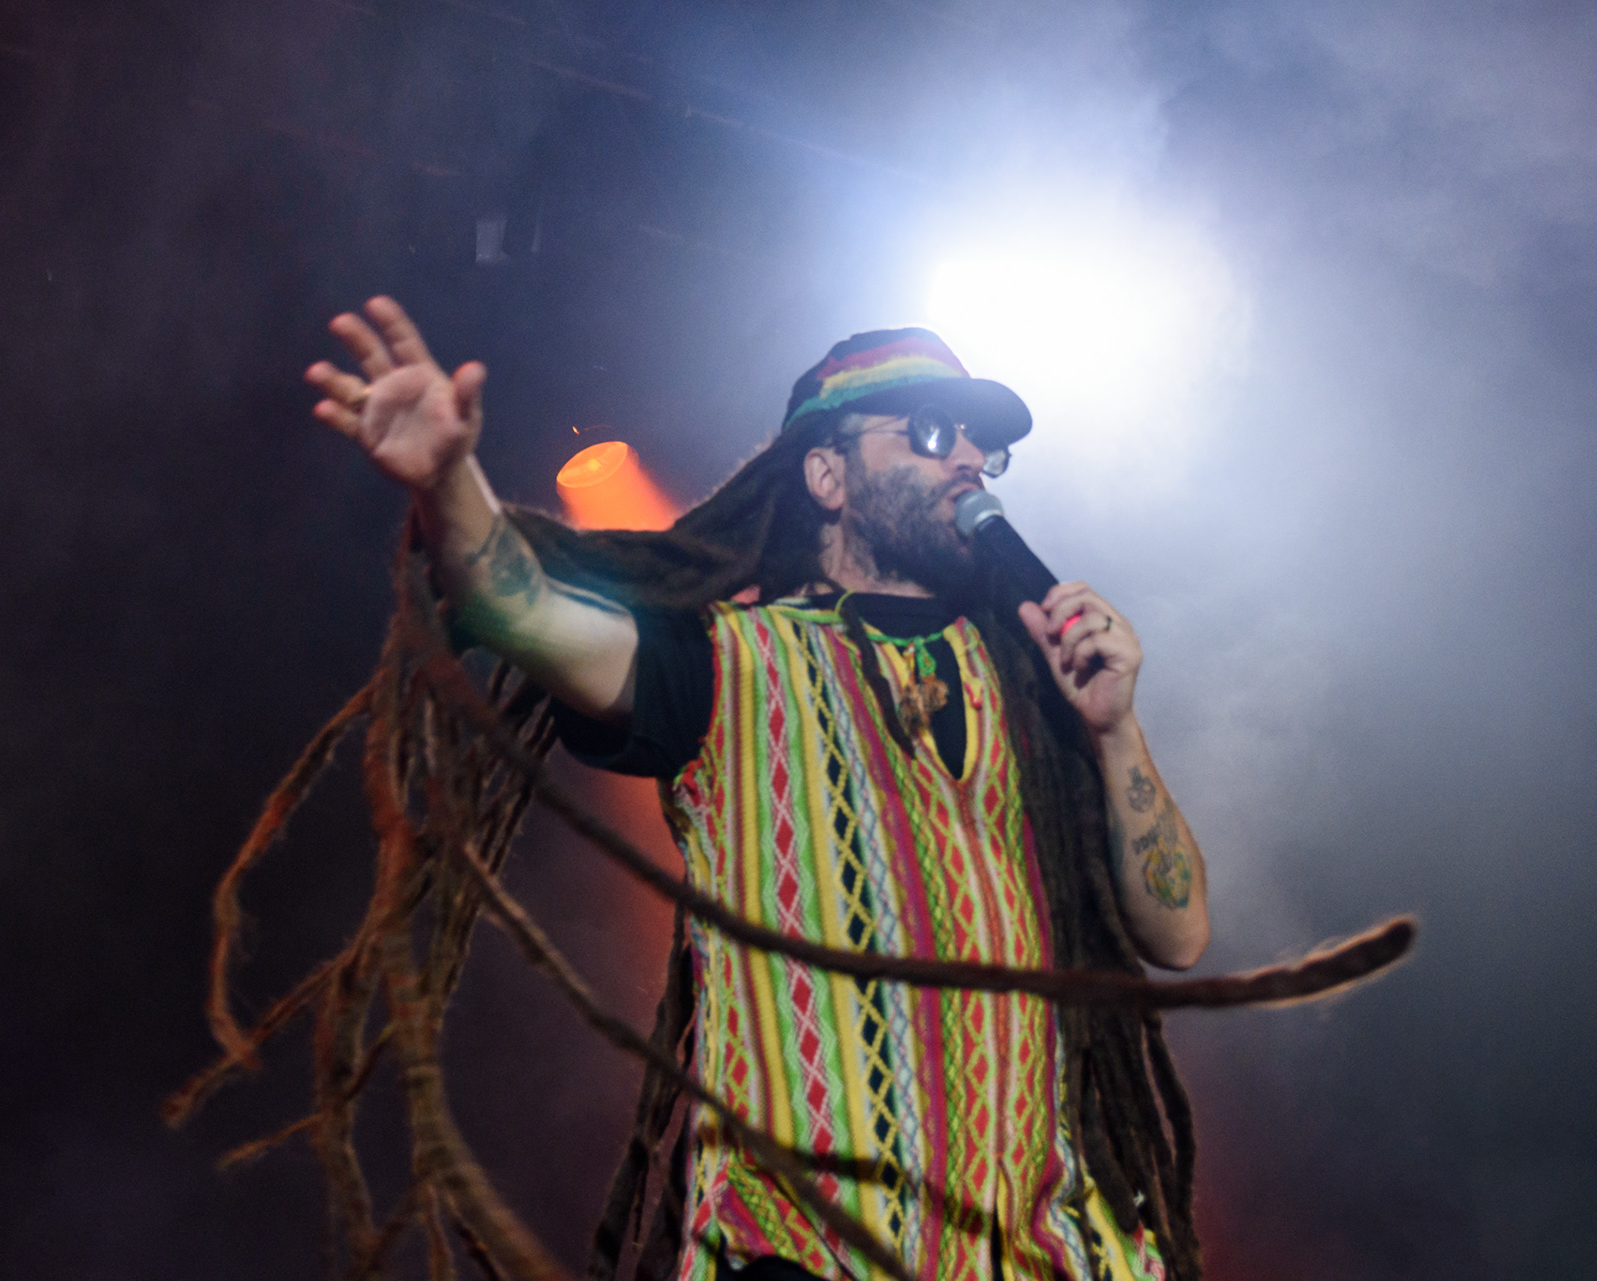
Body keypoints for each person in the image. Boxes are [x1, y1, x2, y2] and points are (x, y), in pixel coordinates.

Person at [306, 298, 1211, 1281]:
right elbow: (518, 612)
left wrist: (1117, 732)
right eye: (935, 432)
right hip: (807, 1258)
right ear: (827, 472)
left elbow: (1177, 935)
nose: (971, 464)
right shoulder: (730, 664)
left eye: (989, 449)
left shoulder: (1034, 693)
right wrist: (450, 484)